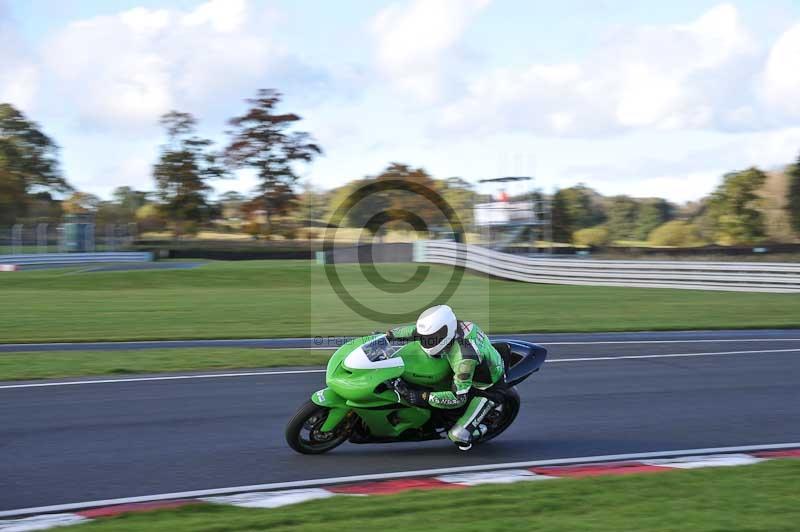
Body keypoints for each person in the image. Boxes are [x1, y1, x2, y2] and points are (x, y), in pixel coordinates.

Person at [386, 304, 505, 450]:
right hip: (470, 364)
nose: (426, 341)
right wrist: (387, 336)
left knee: (458, 435)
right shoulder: (449, 327)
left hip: (486, 387)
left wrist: (421, 396)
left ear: (445, 332)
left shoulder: (464, 358)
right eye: (426, 337)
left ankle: (483, 428)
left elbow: (458, 398)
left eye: (431, 338)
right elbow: (415, 331)